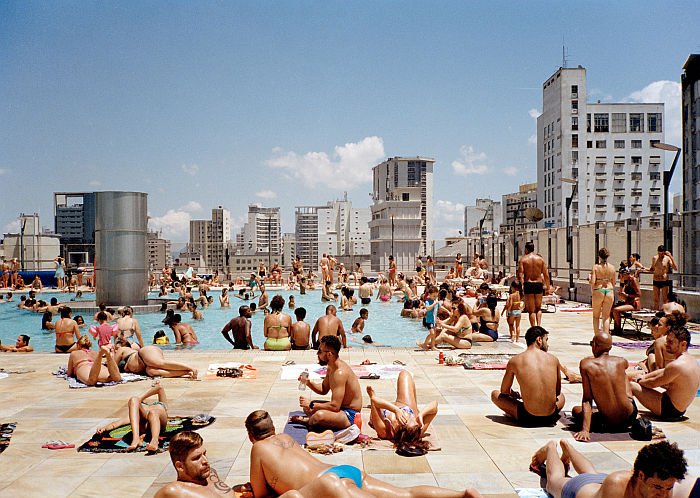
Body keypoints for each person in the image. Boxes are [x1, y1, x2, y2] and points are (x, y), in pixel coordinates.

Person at [248, 410, 481, 498]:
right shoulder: (286, 439)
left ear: (251, 436)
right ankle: (463, 495)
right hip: (344, 472)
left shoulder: (258, 448)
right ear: (273, 430)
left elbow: (259, 493)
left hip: (327, 486)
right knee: (405, 495)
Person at [155, 431, 357, 498]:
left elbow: (224, 492)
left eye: (204, 454)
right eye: (196, 458)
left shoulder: (208, 474)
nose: (205, 461)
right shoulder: (173, 490)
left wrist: (242, 490)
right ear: (180, 466)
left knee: (329, 482)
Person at [530, 439, 687, 498]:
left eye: (669, 488)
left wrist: (664, 488)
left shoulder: (665, 484)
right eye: (658, 487)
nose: (663, 494)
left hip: (599, 484)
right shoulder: (616, 485)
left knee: (592, 474)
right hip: (578, 490)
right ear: (641, 476)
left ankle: (569, 448)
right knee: (553, 482)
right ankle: (551, 448)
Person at [490, 326, 565, 426]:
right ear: (539, 340)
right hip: (550, 417)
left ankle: (513, 413)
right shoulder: (554, 359)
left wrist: (512, 393)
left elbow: (504, 391)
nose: (547, 344)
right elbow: (557, 392)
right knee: (562, 397)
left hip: (528, 417)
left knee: (495, 394)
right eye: (546, 340)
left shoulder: (515, 360)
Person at [571, 332, 638, 442]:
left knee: (576, 411)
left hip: (610, 422)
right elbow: (622, 368)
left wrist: (585, 429)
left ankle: (607, 408)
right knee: (623, 375)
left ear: (595, 345)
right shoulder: (621, 361)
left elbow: (587, 399)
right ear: (610, 347)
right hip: (630, 416)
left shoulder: (586, 364)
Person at [291, 335, 362, 431]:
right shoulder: (331, 367)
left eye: (320, 351)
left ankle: (307, 421)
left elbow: (335, 406)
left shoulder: (339, 373)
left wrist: (312, 405)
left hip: (350, 414)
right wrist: (308, 383)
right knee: (308, 408)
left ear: (329, 355)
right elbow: (323, 389)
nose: (317, 354)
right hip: (341, 408)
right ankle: (313, 420)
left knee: (318, 416)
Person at [631, 326, 700, 421]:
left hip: (669, 410)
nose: (666, 344)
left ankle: (626, 414)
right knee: (637, 378)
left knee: (631, 386)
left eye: (671, 342)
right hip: (680, 408)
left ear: (683, 344)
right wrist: (644, 376)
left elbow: (652, 384)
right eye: (667, 340)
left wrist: (639, 380)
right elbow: (662, 372)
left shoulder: (677, 365)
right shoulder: (691, 360)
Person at [366, 370, 438, 453]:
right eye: (415, 421)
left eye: (410, 419)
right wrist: (421, 414)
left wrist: (395, 410)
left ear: (401, 425)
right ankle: (410, 405)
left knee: (379, 400)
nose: (413, 417)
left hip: (384, 407)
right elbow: (435, 405)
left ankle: (394, 405)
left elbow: (374, 400)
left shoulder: (385, 432)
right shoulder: (418, 430)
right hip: (405, 405)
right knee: (405, 374)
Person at [97, 381, 168, 452]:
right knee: (133, 399)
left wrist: (141, 398)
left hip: (159, 421)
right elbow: (117, 423)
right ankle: (135, 438)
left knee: (153, 412)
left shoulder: (161, 404)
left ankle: (155, 441)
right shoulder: (138, 412)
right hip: (145, 425)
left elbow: (159, 388)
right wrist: (104, 428)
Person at [517, 242, 550, 327]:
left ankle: (533, 327)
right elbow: (546, 275)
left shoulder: (523, 260)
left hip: (528, 284)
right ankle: (538, 326)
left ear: (526, 249)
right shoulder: (540, 259)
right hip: (538, 284)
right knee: (538, 308)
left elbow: (520, 275)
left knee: (531, 310)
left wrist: (522, 286)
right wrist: (548, 287)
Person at [114, 345, 198, 378]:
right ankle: (186, 372)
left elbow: (113, 366)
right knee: (151, 371)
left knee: (160, 363)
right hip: (145, 367)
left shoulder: (122, 349)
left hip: (142, 354)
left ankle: (191, 368)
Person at [590, 248, 616, 336]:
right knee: (606, 317)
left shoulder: (596, 267)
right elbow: (614, 282)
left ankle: (597, 337)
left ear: (599, 256)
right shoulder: (612, 268)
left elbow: (593, 282)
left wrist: (591, 283)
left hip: (599, 289)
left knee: (596, 316)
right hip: (609, 290)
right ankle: (605, 337)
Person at [611, 268, 641, 335]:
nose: (621, 277)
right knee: (611, 308)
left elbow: (639, 294)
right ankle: (616, 327)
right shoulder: (626, 281)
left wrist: (627, 295)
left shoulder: (633, 280)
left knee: (616, 310)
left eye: (622, 275)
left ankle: (618, 329)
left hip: (634, 304)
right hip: (628, 302)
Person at [649, 245, 678, 310]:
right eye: (659, 253)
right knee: (656, 299)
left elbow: (675, 268)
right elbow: (652, 268)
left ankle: (665, 313)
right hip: (656, 279)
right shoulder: (654, 258)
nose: (660, 255)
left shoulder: (667, 258)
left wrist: (671, 256)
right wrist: (643, 269)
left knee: (665, 299)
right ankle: (656, 313)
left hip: (664, 280)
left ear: (664, 252)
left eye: (662, 253)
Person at [416, 286, 440, 351]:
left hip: (434, 320)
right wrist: (434, 304)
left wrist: (447, 311)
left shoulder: (436, 301)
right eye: (433, 296)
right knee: (432, 333)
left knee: (434, 334)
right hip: (429, 320)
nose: (435, 298)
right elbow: (427, 308)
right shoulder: (428, 301)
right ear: (429, 295)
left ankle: (433, 346)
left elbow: (440, 307)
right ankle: (425, 344)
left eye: (436, 296)